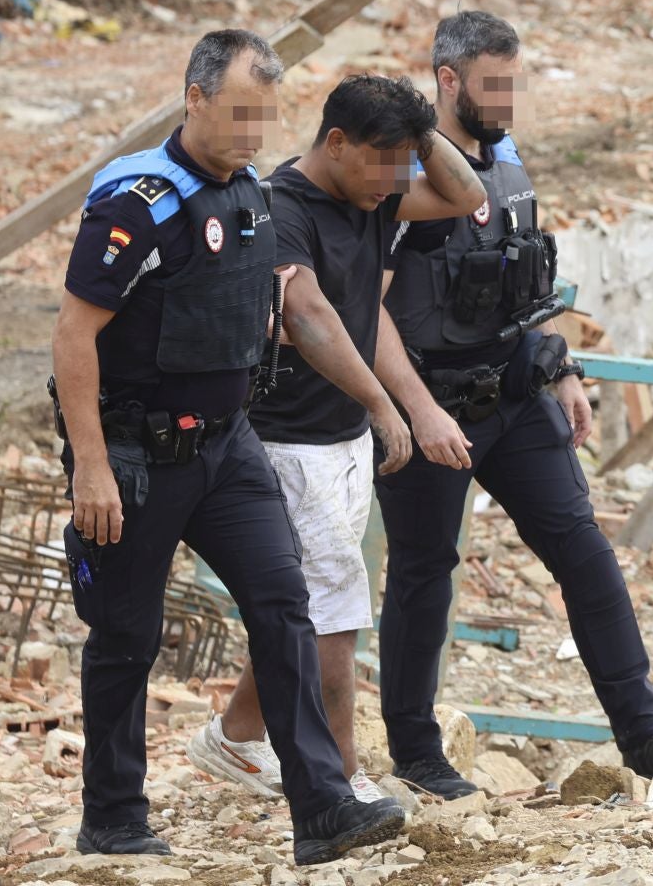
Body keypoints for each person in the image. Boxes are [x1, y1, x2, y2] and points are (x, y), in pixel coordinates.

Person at [51, 30, 407, 865]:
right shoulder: (137, 201)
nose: (252, 130)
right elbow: (74, 335)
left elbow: (290, 313)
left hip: (228, 450)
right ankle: (112, 817)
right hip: (137, 455)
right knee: (126, 637)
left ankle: (321, 808)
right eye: (239, 111)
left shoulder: (253, 197)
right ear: (196, 98)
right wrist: (92, 465)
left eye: (265, 114)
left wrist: (376, 400)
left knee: (286, 607)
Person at [371, 10, 653, 799]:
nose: (508, 97)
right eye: (493, 83)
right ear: (449, 81)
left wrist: (562, 366)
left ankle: (645, 738)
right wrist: (415, 411)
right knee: (425, 574)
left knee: (584, 554)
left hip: (516, 391)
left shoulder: (507, 156)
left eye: (514, 80)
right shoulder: (403, 174)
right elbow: (369, 311)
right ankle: (418, 755)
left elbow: (532, 271)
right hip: (434, 404)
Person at [189, 73, 488, 802]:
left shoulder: (374, 192)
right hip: (289, 440)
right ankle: (340, 780)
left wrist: (419, 136)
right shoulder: (282, 207)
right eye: (384, 163)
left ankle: (232, 740)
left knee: (306, 601)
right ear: (335, 144)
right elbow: (309, 315)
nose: (397, 183)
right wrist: (388, 406)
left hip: (341, 439)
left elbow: (465, 195)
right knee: (336, 613)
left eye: (404, 165)